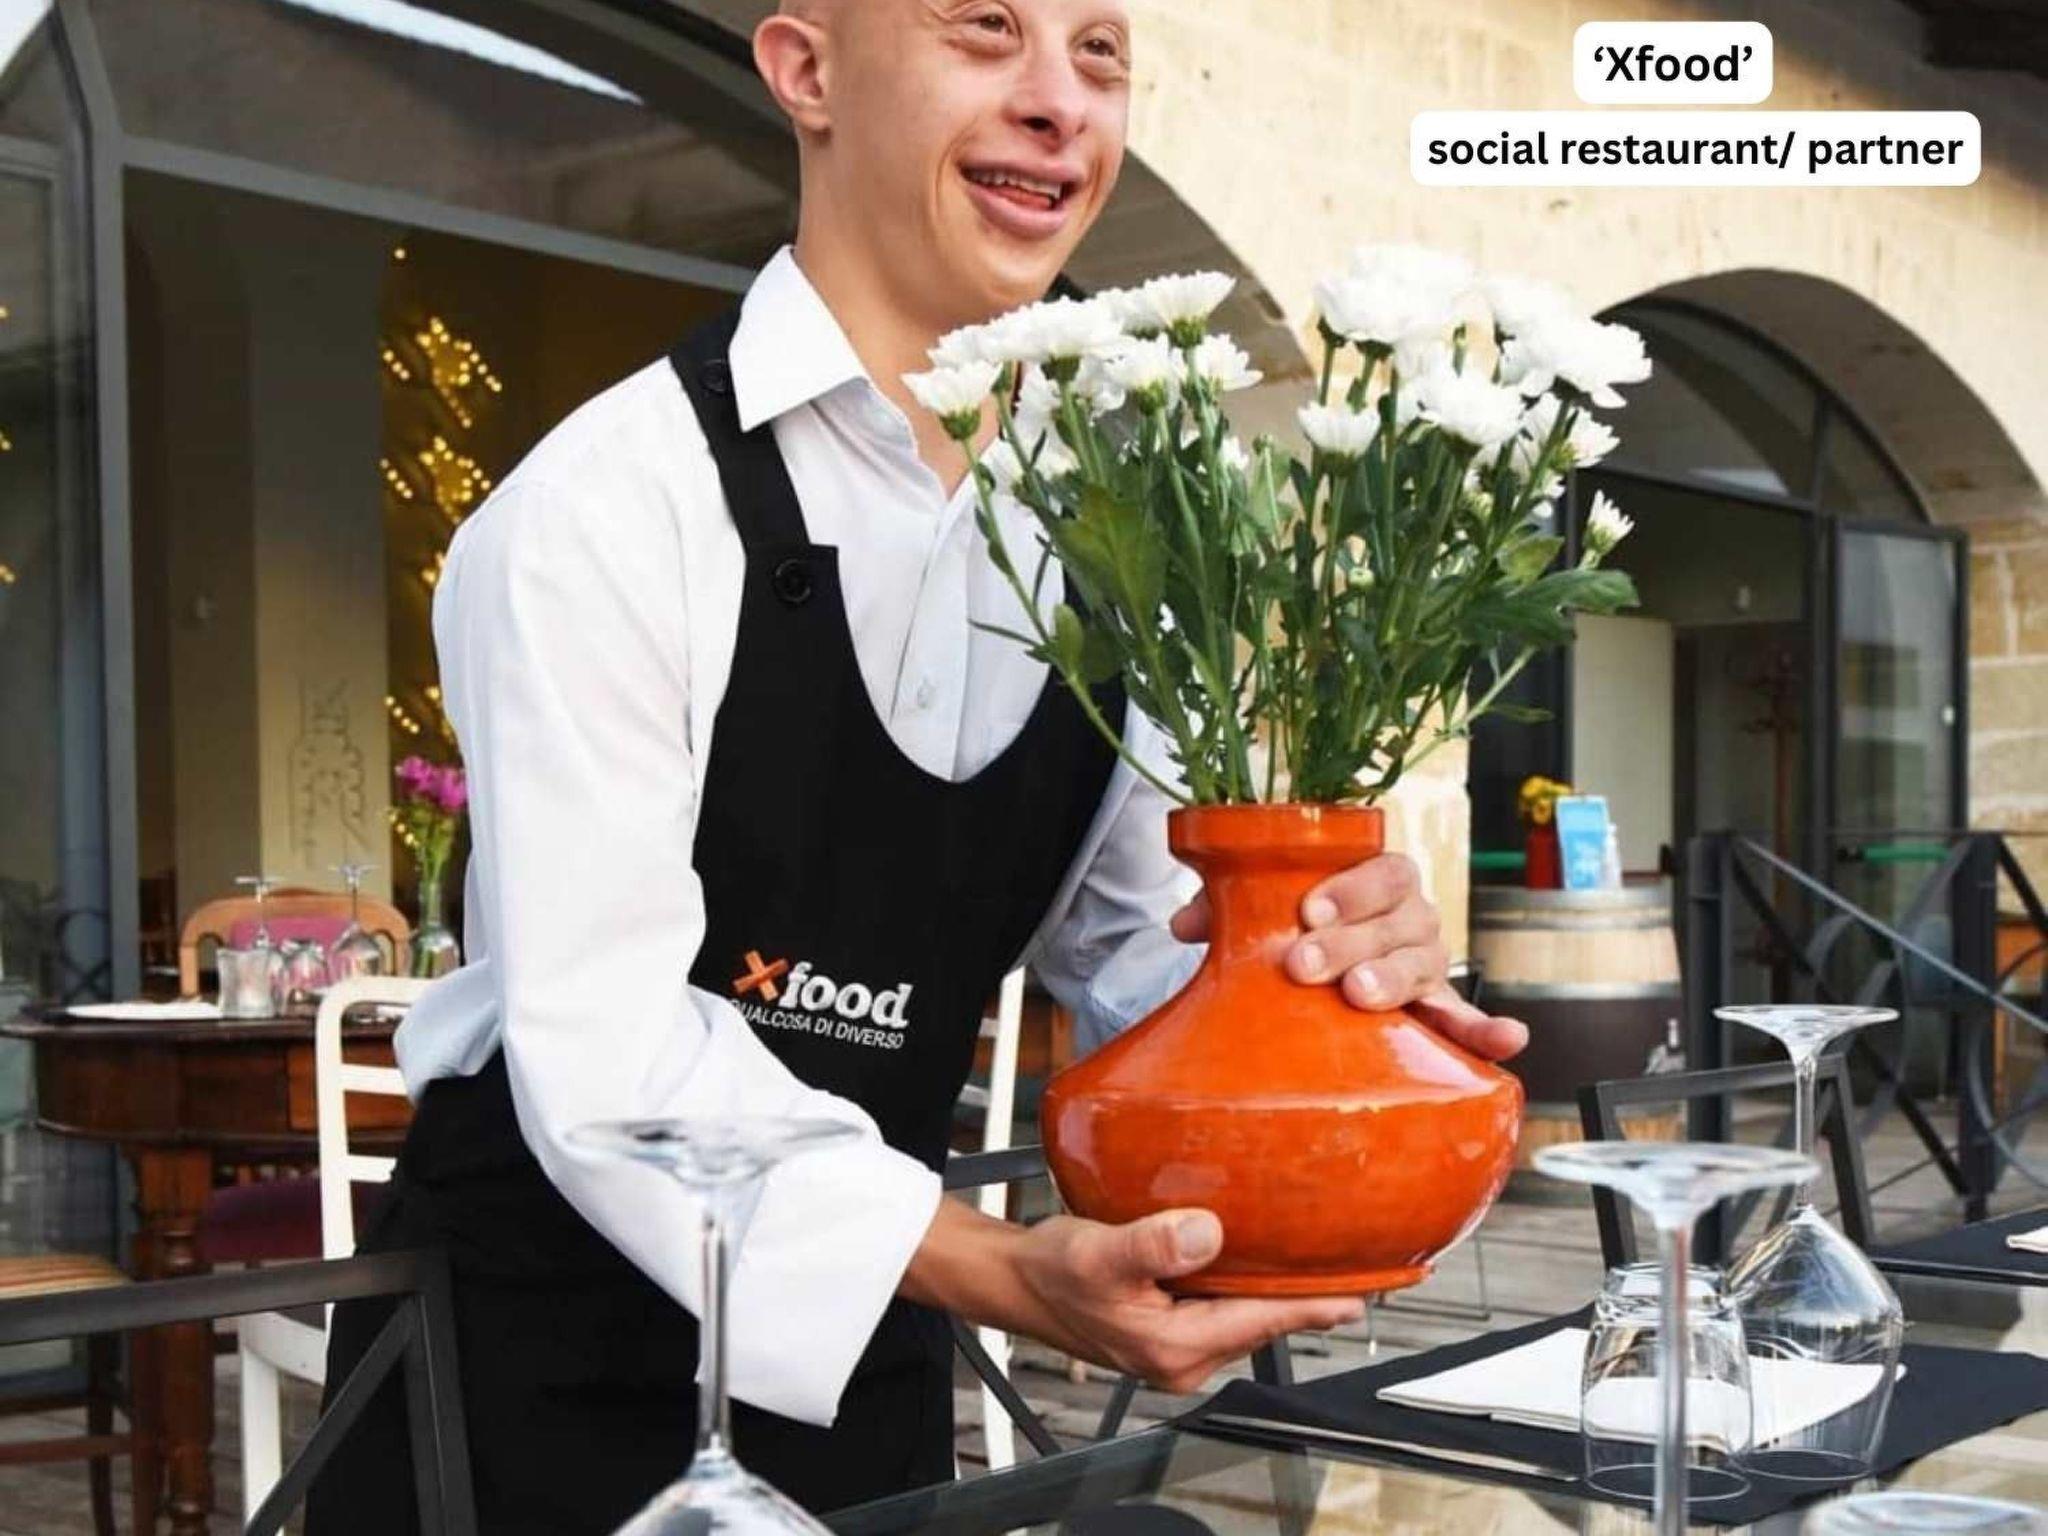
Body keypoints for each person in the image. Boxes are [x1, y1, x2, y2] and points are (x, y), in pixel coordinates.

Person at [309, 2, 1529, 1531]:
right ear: (806, 70)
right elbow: (609, 1049)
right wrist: (1007, 1271)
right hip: (524, 1372)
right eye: (985, 28)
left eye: (1100, 53)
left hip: (871, 1342)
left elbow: (1158, 969)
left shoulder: (1114, 548)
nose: (1059, 102)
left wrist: (1321, 982)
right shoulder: (607, 506)